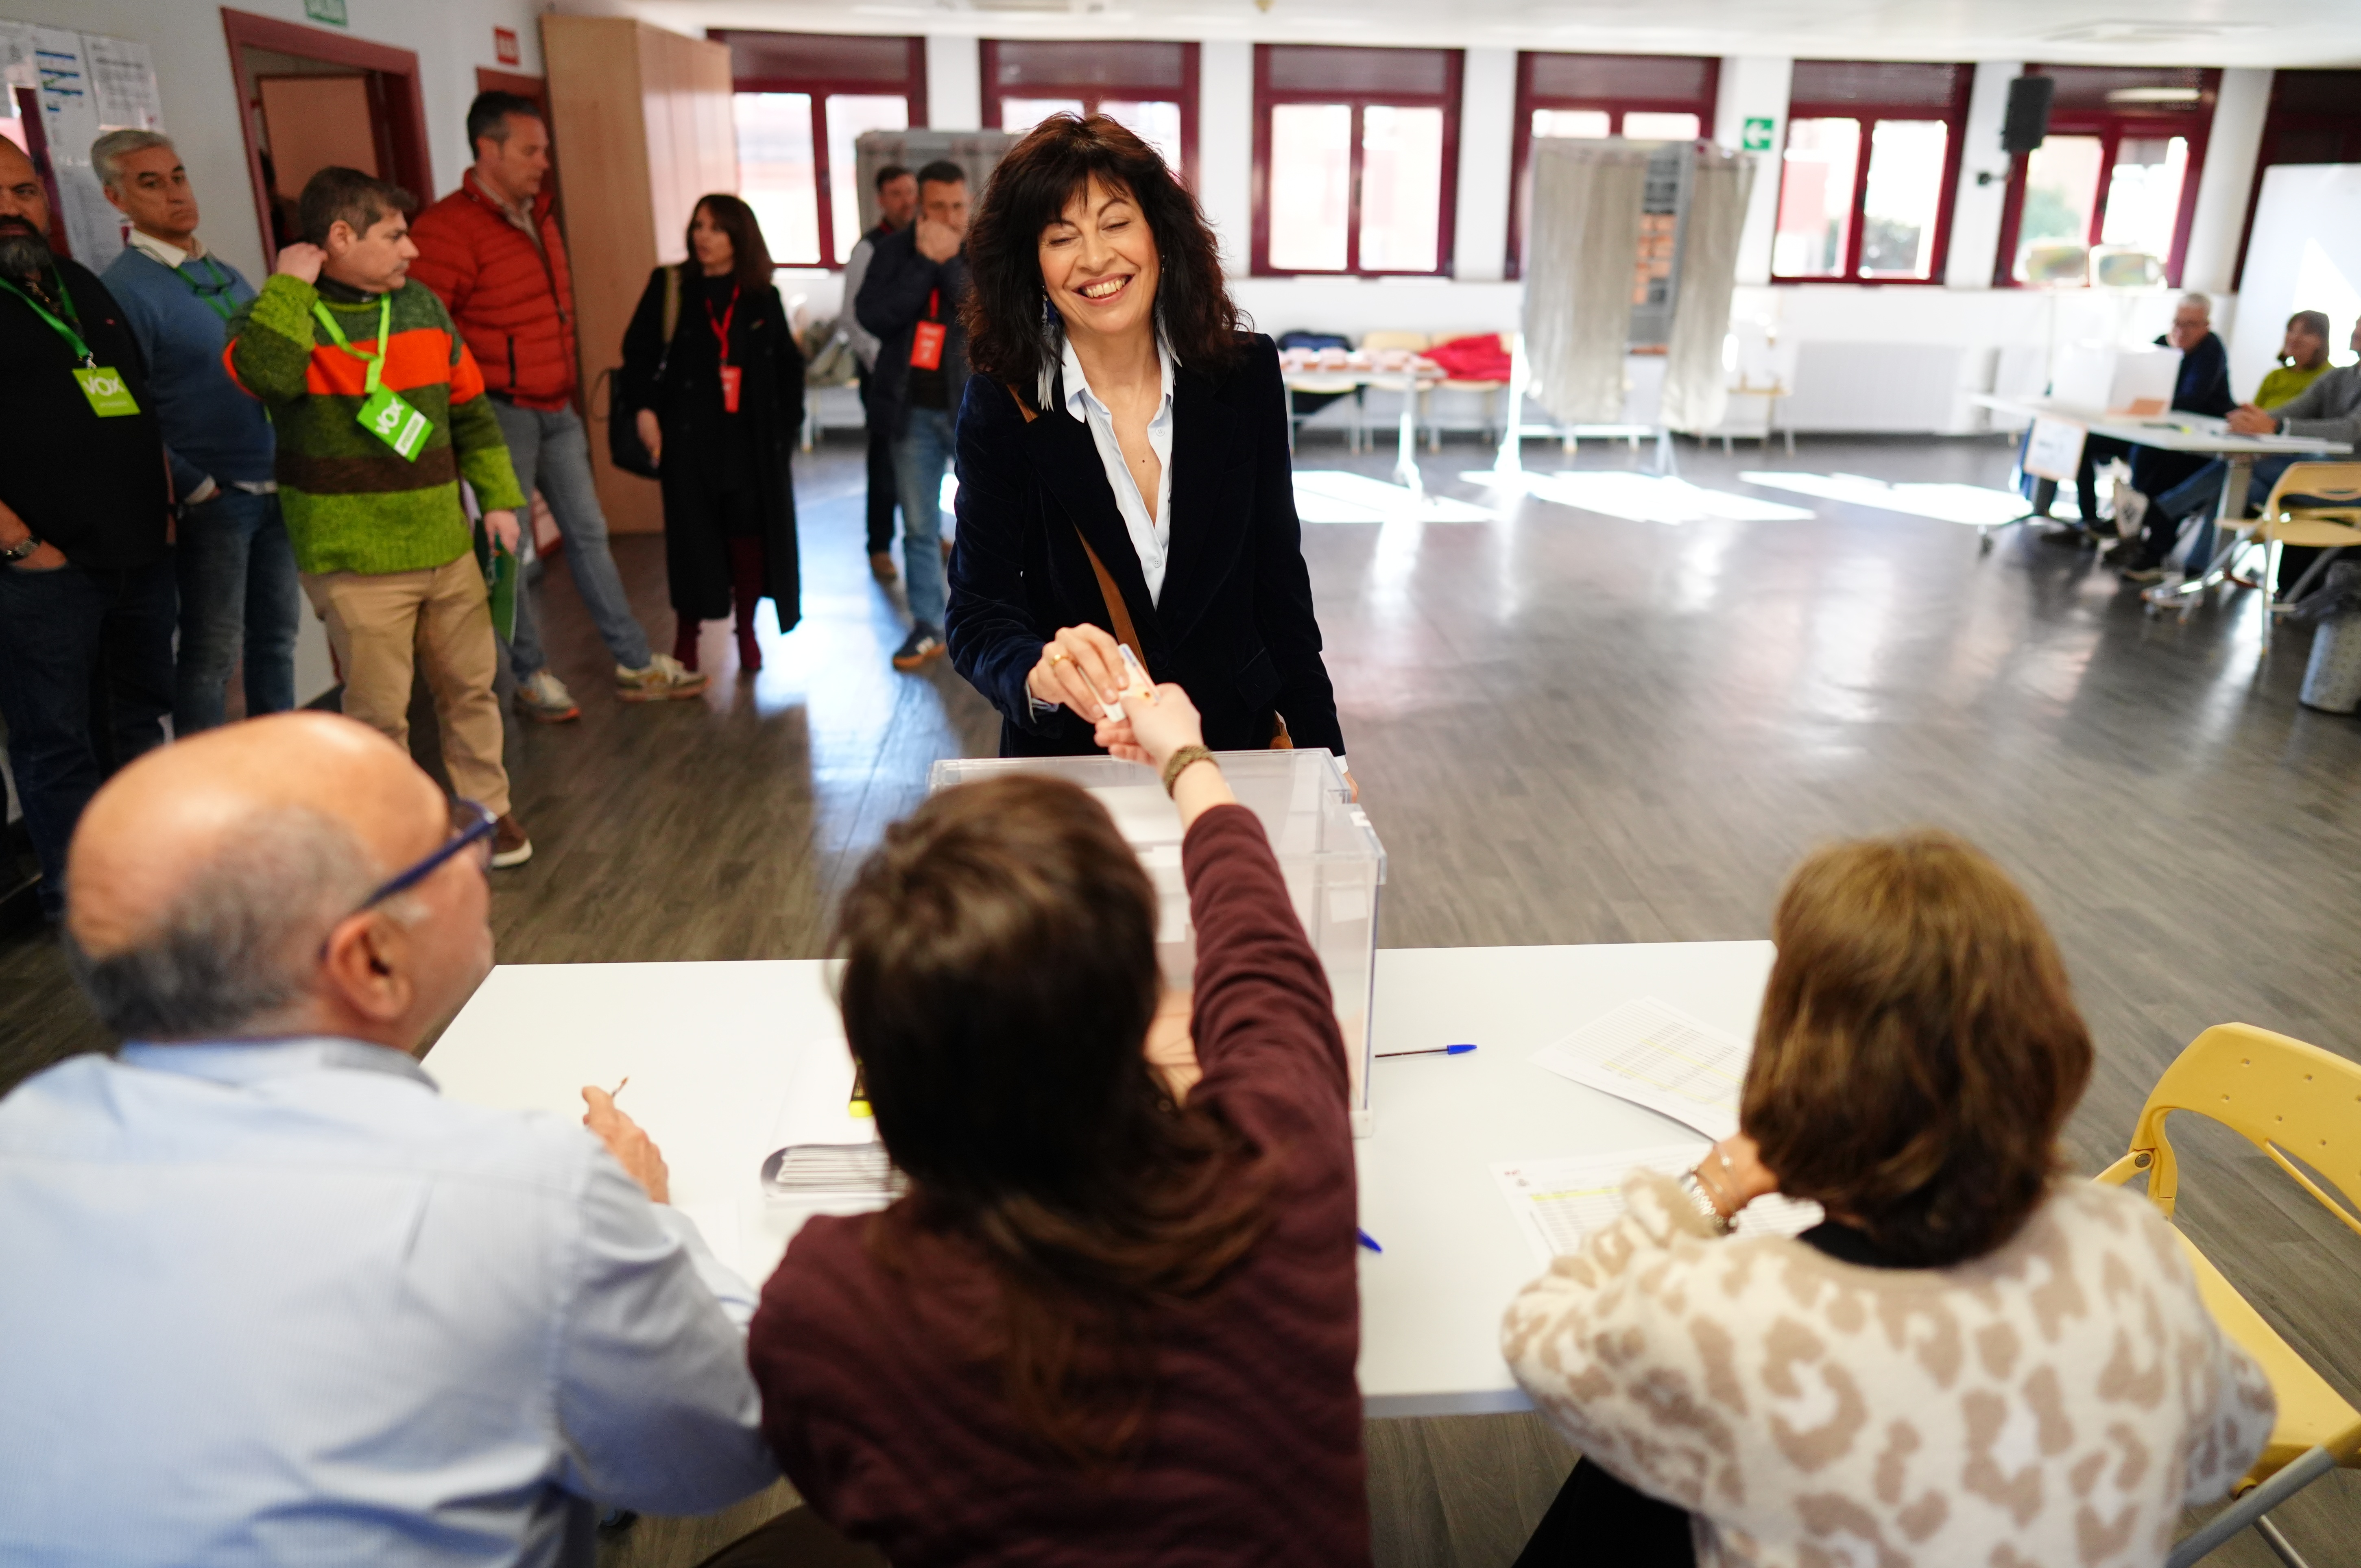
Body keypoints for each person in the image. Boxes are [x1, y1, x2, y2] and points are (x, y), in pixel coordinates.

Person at [0, 711, 779, 1561]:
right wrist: (644, 1215)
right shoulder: (525, 1200)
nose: (478, 853)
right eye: (453, 840)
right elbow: (737, 1440)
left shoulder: (23, 1141)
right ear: (370, 959)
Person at [1501, 831, 2275, 1568]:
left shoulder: (1731, 1317)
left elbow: (1537, 1338)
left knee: (1634, 1465)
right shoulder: (2128, 1251)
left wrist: (1706, 1193)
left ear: (1799, 1062)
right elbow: (2226, 1450)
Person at [747, 678, 1367, 1565]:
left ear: (883, 1058)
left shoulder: (827, 1308)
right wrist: (1184, 757)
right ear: (1142, 1005)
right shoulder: (1283, 1163)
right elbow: (1262, 952)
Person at [945, 115, 1346, 760]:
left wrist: (1328, 754)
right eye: (1061, 237)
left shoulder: (1243, 377)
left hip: (1230, 746)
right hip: (1080, 761)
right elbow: (978, 612)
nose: (1095, 258)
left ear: (1159, 233)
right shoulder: (1004, 405)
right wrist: (1039, 674)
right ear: (1032, 265)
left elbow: (1280, 589)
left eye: (1115, 223)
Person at [226, 166, 534, 866]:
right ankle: (398, 837)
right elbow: (266, 378)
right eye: (395, 236)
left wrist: (499, 501)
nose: (412, 251)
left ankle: (489, 812)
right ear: (340, 236)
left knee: (472, 690)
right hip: (353, 559)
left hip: (446, 545)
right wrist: (289, 288)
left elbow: (471, 413)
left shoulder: (422, 305)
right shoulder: (275, 314)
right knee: (377, 715)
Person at [408, 91, 707, 719]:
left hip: (558, 408)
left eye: (544, 150)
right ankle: (528, 674)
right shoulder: (445, 230)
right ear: (488, 149)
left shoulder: (539, 216)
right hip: (498, 412)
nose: (545, 162)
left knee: (590, 534)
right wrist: (460, 412)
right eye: (531, 151)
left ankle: (634, 662)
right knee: (505, 548)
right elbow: (425, 335)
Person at [0, 135, 175, 923]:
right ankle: (85, 906)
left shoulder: (77, 283)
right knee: (57, 741)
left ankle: (148, 878)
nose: (12, 209)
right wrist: (21, 545)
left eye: (24, 191)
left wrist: (162, 510)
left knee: (135, 723)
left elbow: (138, 400)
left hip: (138, 555)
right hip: (42, 573)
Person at [96, 129, 298, 736]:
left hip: (273, 484)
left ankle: (284, 766)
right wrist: (193, 484)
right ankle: (205, 783)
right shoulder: (124, 289)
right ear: (116, 200)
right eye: (150, 184)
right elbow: (123, 412)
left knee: (277, 640)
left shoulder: (223, 273)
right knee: (211, 656)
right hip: (213, 500)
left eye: (178, 177)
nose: (175, 194)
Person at [620, 194, 804, 675]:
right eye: (698, 226)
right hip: (688, 442)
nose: (702, 236)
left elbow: (788, 367)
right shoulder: (670, 287)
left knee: (747, 538)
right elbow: (638, 355)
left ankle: (747, 631)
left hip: (748, 445)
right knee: (692, 541)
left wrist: (785, 429)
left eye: (716, 228)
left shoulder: (761, 296)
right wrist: (644, 410)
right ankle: (687, 639)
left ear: (739, 238)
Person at [2118, 310, 2359, 586]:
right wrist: (2252, 421)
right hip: (2304, 476)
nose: (2357, 330)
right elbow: (2290, 411)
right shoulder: (2338, 378)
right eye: (2358, 323)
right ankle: (2197, 575)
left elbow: (2350, 430)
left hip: (2345, 484)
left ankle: (2156, 513)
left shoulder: (2329, 375)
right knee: (2235, 485)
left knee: (2245, 468)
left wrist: (2275, 427)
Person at [856, 159, 971, 671]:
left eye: (957, 207)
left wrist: (945, 264)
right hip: (912, 412)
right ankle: (927, 624)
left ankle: (990, 621)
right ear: (920, 208)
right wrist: (923, 263)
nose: (949, 217)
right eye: (937, 207)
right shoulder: (891, 251)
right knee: (920, 526)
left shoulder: (984, 250)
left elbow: (983, 314)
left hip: (972, 411)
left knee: (988, 522)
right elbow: (872, 316)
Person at [2055, 291, 2234, 545]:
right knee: (2083, 441)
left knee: (2149, 456)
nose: (2181, 331)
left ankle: (2137, 531)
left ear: (2206, 326)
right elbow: (2136, 379)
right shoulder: (2161, 344)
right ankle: (2091, 522)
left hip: (2191, 442)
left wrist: (2148, 399)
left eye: (2190, 325)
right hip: (2149, 429)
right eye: (2177, 323)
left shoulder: (2211, 351)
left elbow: (2192, 399)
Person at [841, 163, 916, 584]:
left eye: (911, 192)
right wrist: (885, 363)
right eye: (897, 194)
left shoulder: (923, 243)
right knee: (884, 461)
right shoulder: (868, 249)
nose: (907, 201)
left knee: (920, 456)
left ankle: (921, 532)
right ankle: (880, 546)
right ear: (881, 200)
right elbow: (852, 318)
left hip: (919, 375)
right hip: (883, 376)